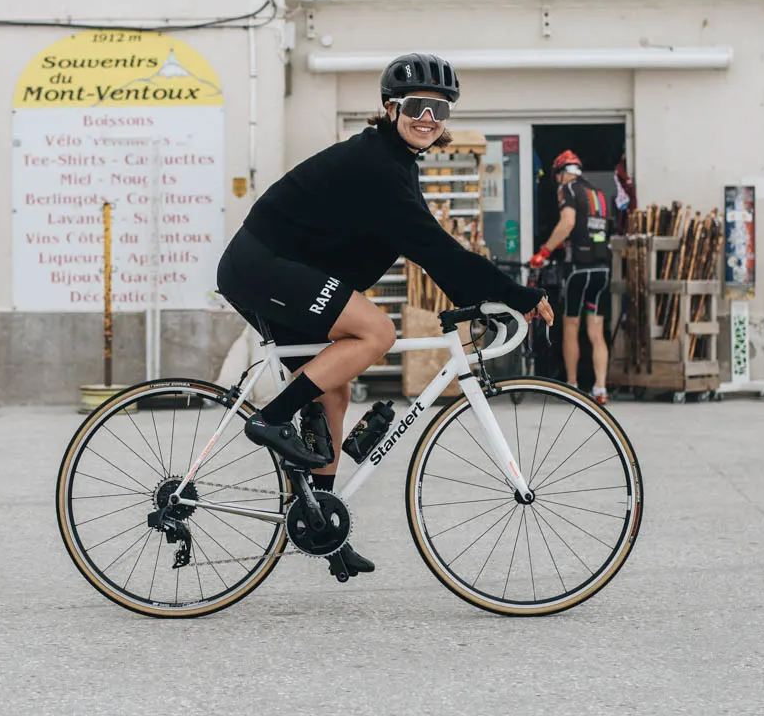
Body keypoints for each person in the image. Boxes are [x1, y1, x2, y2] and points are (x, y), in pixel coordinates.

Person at [216, 52, 554, 578]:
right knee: (377, 331)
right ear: (391, 107)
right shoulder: (378, 166)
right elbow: (439, 251)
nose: (428, 119)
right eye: (418, 106)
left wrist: (490, 295)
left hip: (278, 269)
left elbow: (429, 250)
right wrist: (520, 295)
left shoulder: (394, 164)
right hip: (261, 267)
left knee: (334, 389)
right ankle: (271, 417)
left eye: (440, 111)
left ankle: (319, 526)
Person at [530, 149, 612, 404]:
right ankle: (600, 389)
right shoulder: (597, 193)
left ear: (562, 173)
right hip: (602, 269)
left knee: (571, 326)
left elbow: (567, 222)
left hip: (577, 268)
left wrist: (543, 252)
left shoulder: (568, 189)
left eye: (557, 177)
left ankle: (572, 386)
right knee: (596, 331)